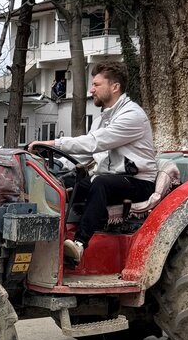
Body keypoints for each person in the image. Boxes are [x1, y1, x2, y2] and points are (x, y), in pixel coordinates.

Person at [28, 61, 157, 265]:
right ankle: (50, 241)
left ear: (115, 87)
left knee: (100, 183)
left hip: (139, 182)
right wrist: (55, 167)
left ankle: (79, 245)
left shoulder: (132, 116)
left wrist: (53, 143)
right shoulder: (102, 119)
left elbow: (93, 142)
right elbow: (86, 155)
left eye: (96, 85)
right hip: (113, 178)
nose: (91, 90)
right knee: (65, 185)